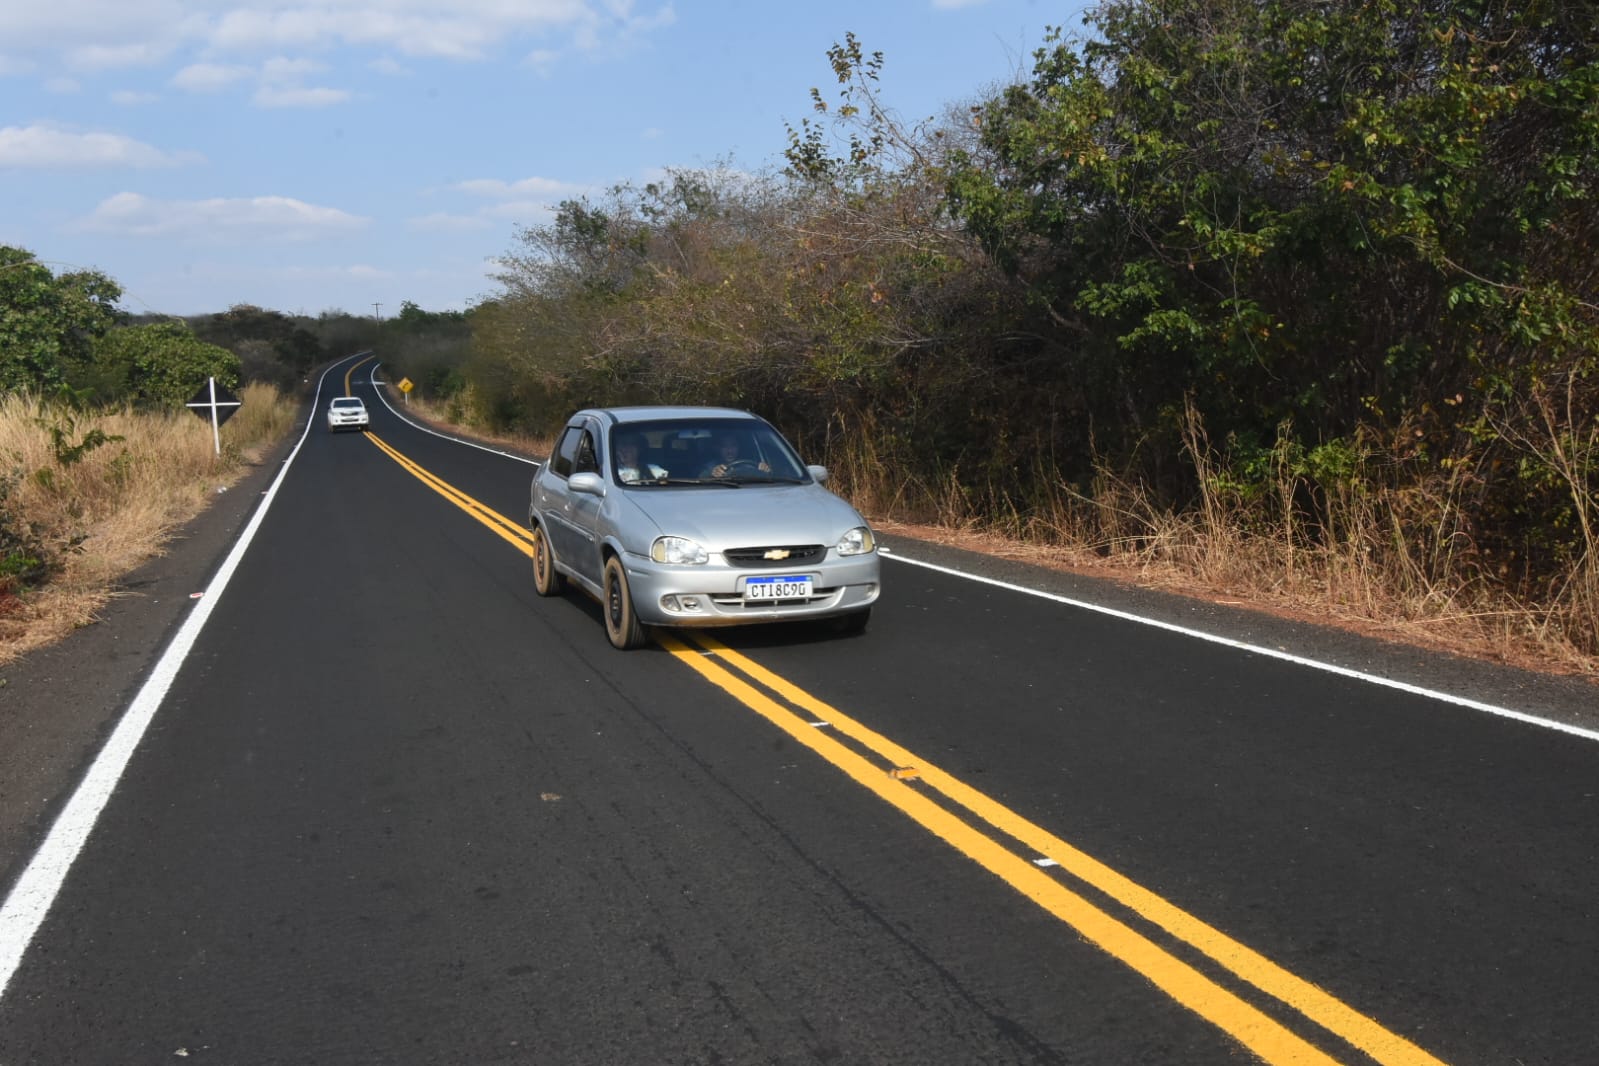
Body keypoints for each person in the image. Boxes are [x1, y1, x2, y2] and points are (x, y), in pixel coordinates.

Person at [700, 433, 770, 477]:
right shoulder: (710, 467)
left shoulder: (750, 466)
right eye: (724, 446)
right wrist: (711, 474)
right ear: (718, 448)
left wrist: (764, 471)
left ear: (739, 447)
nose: (730, 451)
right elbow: (699, 478)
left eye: (733, 445)